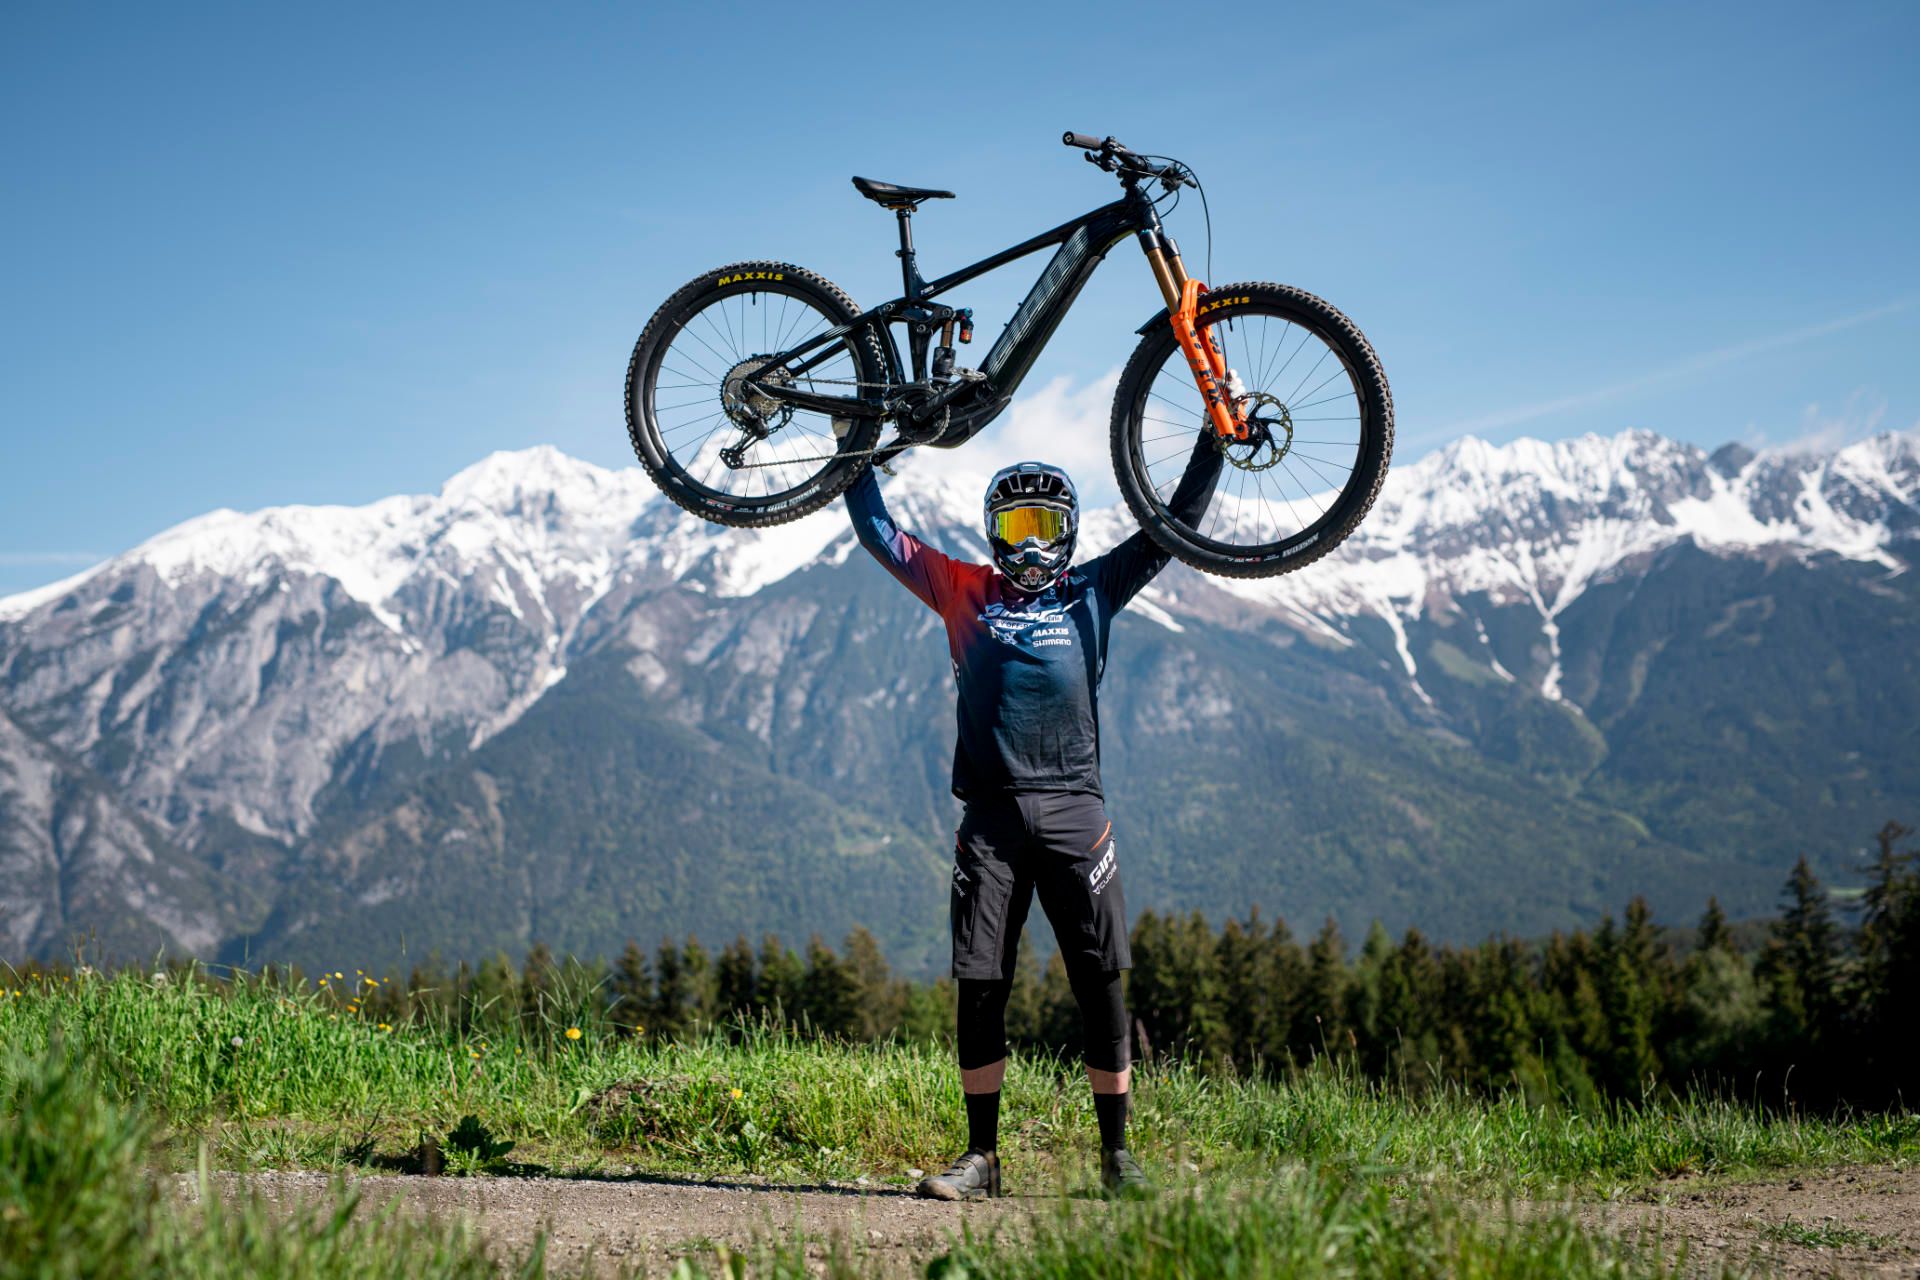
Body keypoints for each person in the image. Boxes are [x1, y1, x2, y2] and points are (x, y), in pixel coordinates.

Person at [842, 432, 1222, 1199]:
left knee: (1100, 984)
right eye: (1017, 527)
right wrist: (852, 450)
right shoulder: (961, 588)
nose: (1032, 544)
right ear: (993, 533)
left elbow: (1175, 523)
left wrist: (1216, 435)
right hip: (990, 822)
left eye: (1045, 526)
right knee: (981, 984)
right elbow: (879, 533)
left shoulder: (1096, 588)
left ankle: (1117, 1161)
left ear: (1070, 531)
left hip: (1079, 813)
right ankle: (981, 1158)